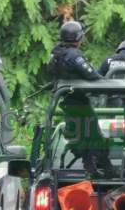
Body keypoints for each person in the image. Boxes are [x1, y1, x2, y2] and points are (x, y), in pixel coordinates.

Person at [47, 21, 115, 177]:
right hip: (79, 103)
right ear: (78, 38)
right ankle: (108, 170)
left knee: (85, 137)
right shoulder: (74, 55)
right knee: (96, 137)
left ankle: (92, 169)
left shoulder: (56, 53)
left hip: (67, 102)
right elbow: (92, 75)